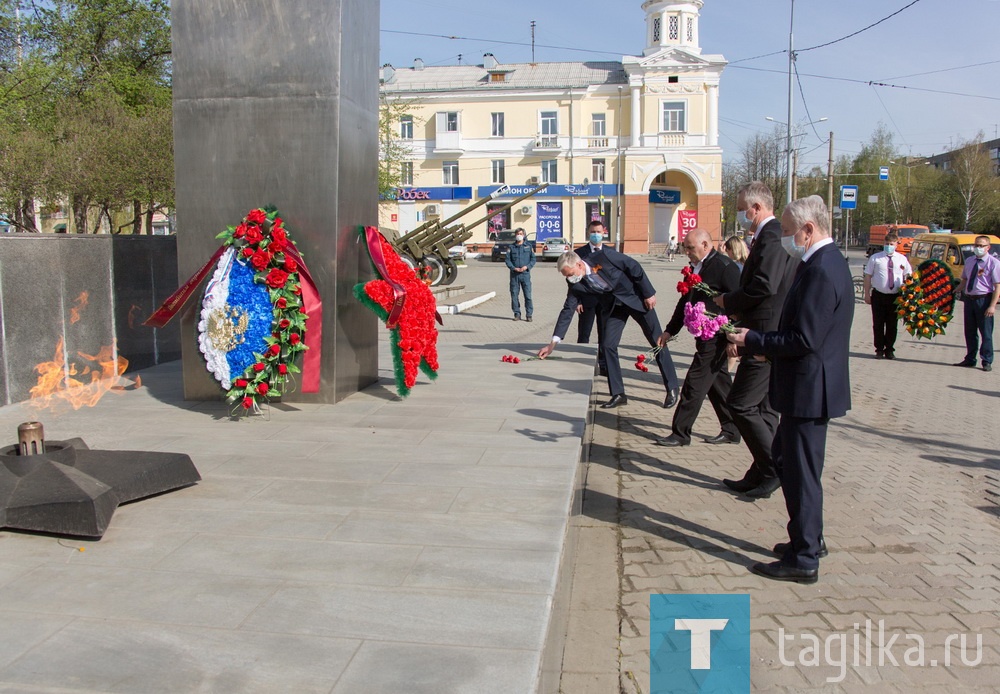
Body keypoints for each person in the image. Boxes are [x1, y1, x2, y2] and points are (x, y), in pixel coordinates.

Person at [728, 195, 854, 584]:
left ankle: (805, 558)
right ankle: (807, 538)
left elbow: (804, 338)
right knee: (789, 463)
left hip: (809, 389)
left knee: (800, 474)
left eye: (786, 231)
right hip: (806, 385)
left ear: (808, 230)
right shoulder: (822, 262)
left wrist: (756, 341)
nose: (784, 238)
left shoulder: (821, 269)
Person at [714, 181, 798, 497]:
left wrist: (729, 301)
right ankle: (761, 471)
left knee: (741, 403)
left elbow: (765, 285)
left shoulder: (773, 234)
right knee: (763, 409)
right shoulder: (766, 235)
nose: (739, 214)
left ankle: (773, 469)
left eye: (741, 208)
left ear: (757, 208)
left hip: (765, 333)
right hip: (759, 328)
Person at [537, 249, 679, 409]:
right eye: (566, 276)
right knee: (608, 345)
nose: (570, 278)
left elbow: (633, 266)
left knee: (657, 341)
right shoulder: (575, 284)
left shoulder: (603, 256)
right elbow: (567, 311)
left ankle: (672, 387)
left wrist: (648, 293)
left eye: (570, 274)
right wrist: (552, 344)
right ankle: (618, 393)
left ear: (578, 264)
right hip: (614, 308)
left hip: (636, 299)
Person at [655, 229, 742, 448]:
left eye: (690, 248)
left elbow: (740, 304)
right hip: (704, 335)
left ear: (705, 245)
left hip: (719, 336)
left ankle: (680, 433)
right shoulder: (693, 269)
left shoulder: (725, 268)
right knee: (717, 383)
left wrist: (735, 338)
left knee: (694, 383)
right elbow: (685, 302)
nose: (687, 252)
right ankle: (732, 428)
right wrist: (669, 331)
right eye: (685, 247)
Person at [954, 235, 1000, 372]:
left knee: (985, 332)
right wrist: (954, 291)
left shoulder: (994, 263)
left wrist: (992, 305)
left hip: (984, 300)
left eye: (981, 246)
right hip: (969, 299)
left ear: (988, 247)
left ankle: (986, 360)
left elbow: (997, 286)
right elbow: (964, 280)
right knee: (969, 331)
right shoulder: (969, 261)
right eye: (976, 245)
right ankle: (970, 358)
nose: (978, 248)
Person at [863, 230, 912, 359]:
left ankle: (889, 349)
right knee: (878, 323)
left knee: (892, 324)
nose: (889, 245)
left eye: (891, 243)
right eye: (887, 243)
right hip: (879, 295)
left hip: (895, 297)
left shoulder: (902, 259)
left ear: (896, 244)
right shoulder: (876, 258)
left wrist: (908, 293)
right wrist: (866, 294)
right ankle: (879, 349)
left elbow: (908, 276)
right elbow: (868, 276)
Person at [576, 221, 608, 358]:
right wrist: (577, 300)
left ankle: (604, 363)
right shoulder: (579, 253)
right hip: (586, 300)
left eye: (598, 232)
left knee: (605, 335)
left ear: (604, 233)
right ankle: (581, 361)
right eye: (593, 232)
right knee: (584, 334)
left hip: (606, 300)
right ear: (588, 233)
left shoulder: (610, 252)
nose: (596, 235)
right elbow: (573, 280)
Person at [506, 227, 535, 321]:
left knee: (528, 296)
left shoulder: (528, 246)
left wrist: (527, 267)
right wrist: (513, 268)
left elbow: (533, 259)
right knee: (514, 295)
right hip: (514, 275)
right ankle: (517, 314)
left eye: (521, 234)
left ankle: (529, 315)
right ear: (515, 235)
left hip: (525, 275)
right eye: (518, 234)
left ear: (524, 235)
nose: (519, 235)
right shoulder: (511, 247)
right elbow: (507, 260)